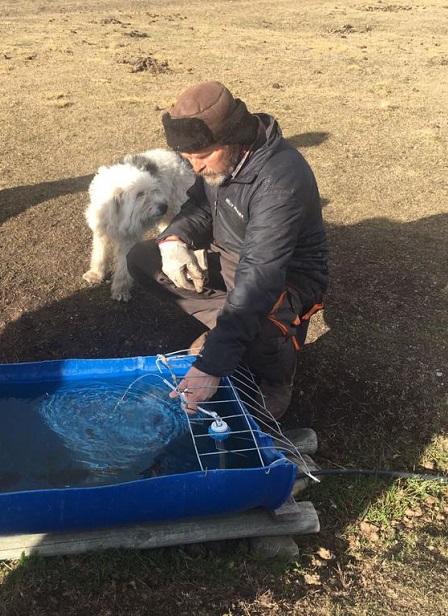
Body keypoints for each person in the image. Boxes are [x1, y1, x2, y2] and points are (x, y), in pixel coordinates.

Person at [127, 81, 328, 419]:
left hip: (285, 276)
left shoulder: (280, 180)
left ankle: (278, 378)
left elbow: (260, 276)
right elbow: (199, 206)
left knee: (258, 316)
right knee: (143, 259)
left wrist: (211, 366)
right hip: (233, 257)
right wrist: (174, 240)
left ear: (235, 137)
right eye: (187, 158)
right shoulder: (222, 161)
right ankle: (229, 328)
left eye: (203, 156)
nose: (196, 168)